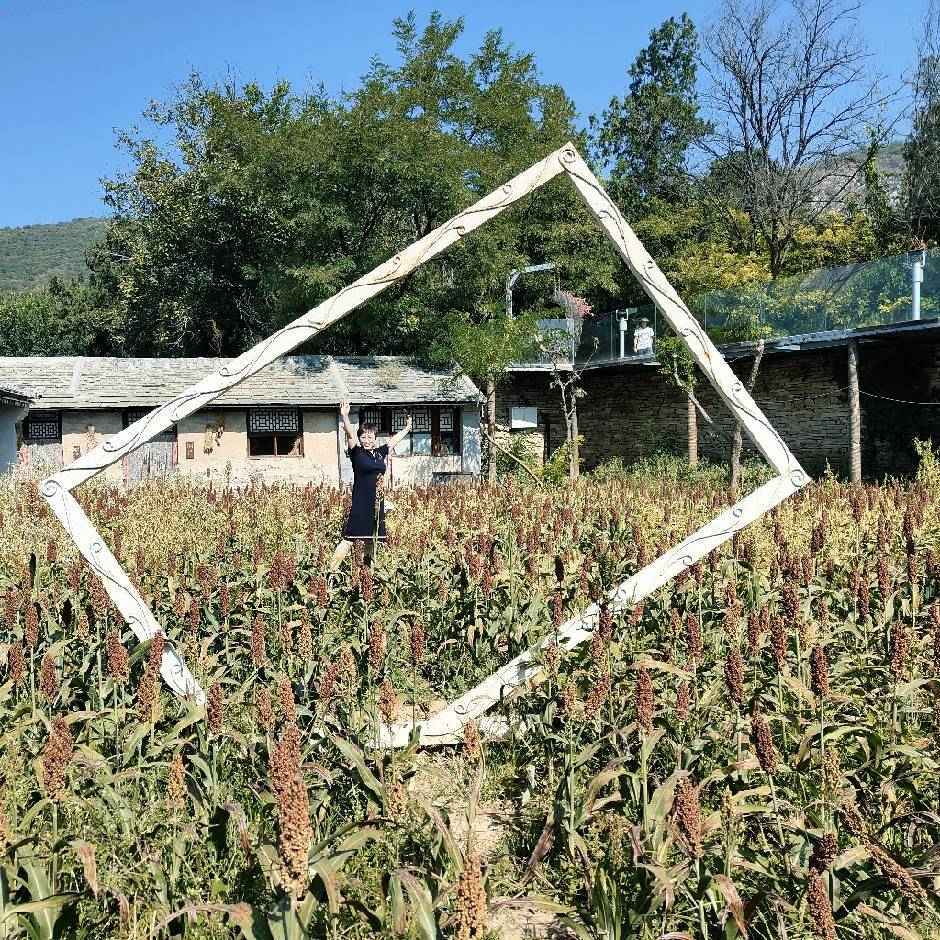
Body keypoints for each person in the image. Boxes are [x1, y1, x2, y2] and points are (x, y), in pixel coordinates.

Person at [330, 400, 413, 569]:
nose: (366, 440)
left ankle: (369, 573)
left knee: (372, 540)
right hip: (361, 502)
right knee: (349, 539)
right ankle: (331, 570)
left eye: (370, 437)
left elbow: (393, 441)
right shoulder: (357, 452)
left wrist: (406, 429)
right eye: (363, 437)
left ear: (375, 438)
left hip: (376, 502)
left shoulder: (379, 453)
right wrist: (345, 416)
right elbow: (350, 434)